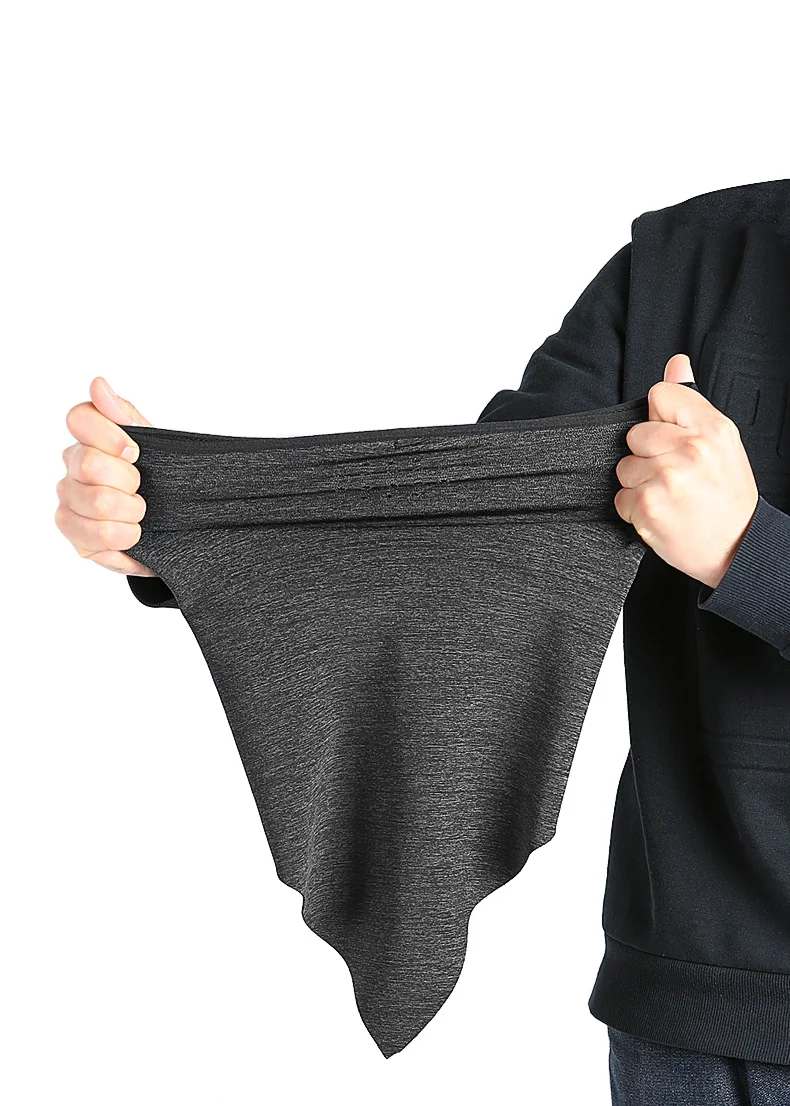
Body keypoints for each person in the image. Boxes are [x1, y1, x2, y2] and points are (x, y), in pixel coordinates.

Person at [55, 178, 790, 1103]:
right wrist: (180, 526)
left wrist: (748, 552)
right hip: (691, 1016)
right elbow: (478, 524)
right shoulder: (684, 260)